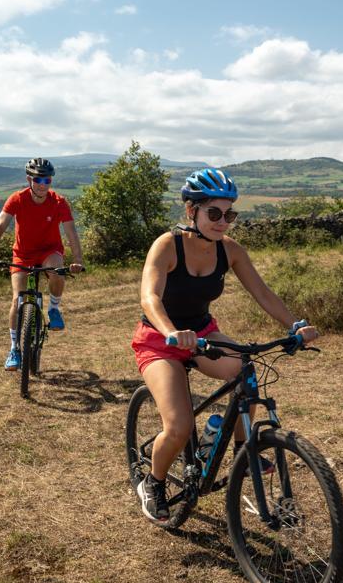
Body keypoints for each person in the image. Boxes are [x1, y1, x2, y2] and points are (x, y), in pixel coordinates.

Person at [131, 167, 319, 523]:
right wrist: (172, 331)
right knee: (179, 425)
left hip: (203, 332)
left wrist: (295, 325)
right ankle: (152, 483)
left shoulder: (229, 250)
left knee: (245, 370)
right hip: (160, 340)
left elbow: (262, 292)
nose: (222, 221)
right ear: (192, 211)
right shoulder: (167, 245)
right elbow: (149, 298)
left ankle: (239, 451)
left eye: (229, 214)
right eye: (213, 213)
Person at [0, 157, 85, 370]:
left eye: (47, 180)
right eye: (39, 180)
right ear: (29, 179)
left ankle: (54, 309)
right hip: (23, 255)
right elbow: (0, 225)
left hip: (49, 251)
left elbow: (71, 232)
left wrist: (78, 260)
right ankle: (14, 349)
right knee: (17, 300)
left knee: (57, 270)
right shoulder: (17, 199)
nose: (43, 185)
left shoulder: (59, 202)